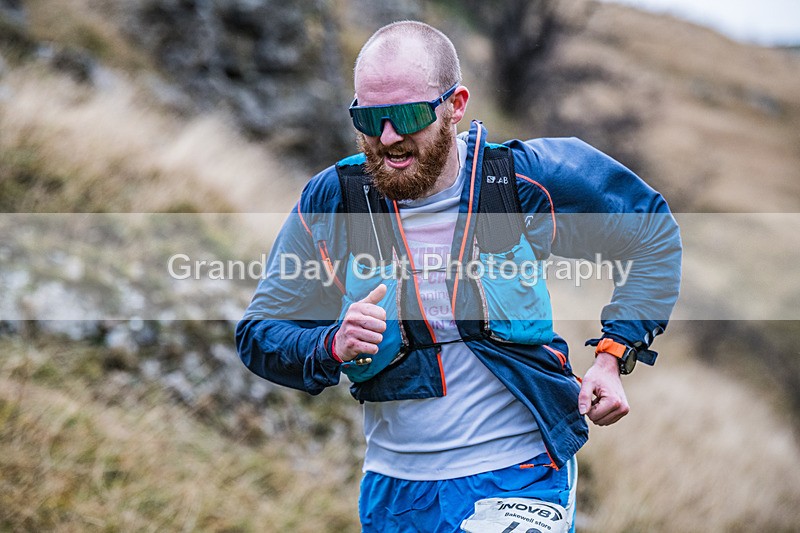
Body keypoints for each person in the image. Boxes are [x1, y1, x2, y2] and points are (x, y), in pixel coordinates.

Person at [236, 20, 681, 533]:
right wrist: (332, 345)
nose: (388, 137)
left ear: (456, 104)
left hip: (519, 471)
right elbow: (260, 334)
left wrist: (612, 354)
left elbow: (652, 232)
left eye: (406, 115)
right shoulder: (333, 201)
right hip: (395, 488)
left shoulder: (520, 183)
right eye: (369, 117)